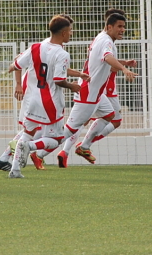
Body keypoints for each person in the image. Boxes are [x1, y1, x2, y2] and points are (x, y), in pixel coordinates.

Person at [0, 15, 89, 171]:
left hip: (31, 97)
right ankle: (26, 148)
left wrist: (78, 74)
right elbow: (58, 78)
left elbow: (16, 64)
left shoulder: (38, 46)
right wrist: (72, 86)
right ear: (64, 32)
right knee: (55, 138)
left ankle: (8, 163)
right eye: (71, 30)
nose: (72, 33)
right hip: (48, 99)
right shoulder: (60, 53)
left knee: (30, 131)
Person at [57, 11, 137, 167]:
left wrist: (124, 63)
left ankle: (74, 149)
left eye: (124, 26)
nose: (122, 29)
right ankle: (37, 148)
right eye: (119, 26)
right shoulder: (106, 41)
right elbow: (107, 58)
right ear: (109, 26)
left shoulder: (102, 39)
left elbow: (103, 58)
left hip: (96, 89)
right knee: (79, 125)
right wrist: (124, 68)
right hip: (96, 89)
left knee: (104, 116)